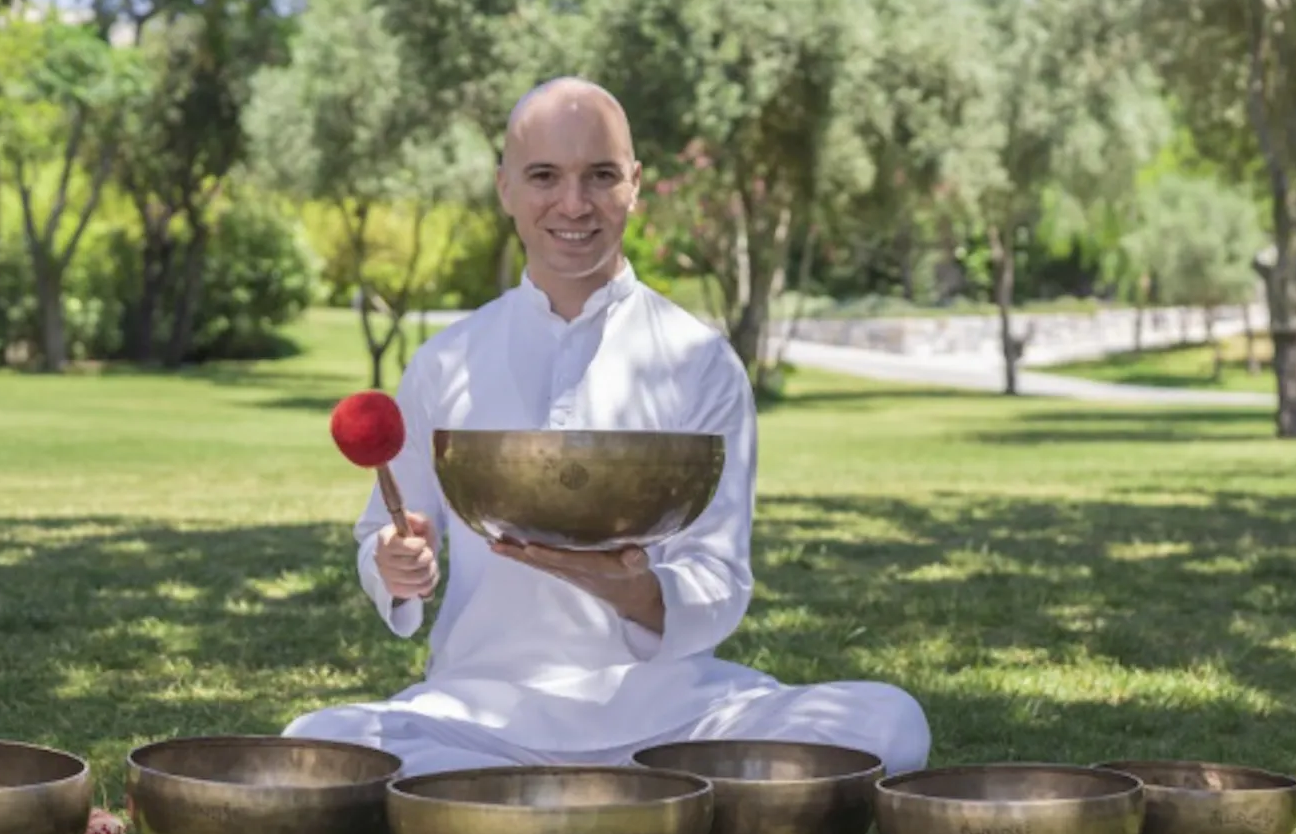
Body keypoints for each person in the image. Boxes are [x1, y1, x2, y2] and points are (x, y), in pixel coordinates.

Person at [282, 77, 931, 779]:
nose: (573, 204)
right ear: (505, 188)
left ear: (634, 184)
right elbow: (388, 528)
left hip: (668, 711)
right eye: (544, 177)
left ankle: (507, 804)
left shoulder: (700, 358)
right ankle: (642, 802)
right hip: (478, 710)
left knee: (891, 720)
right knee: (315, 736)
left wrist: (632, 589)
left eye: (599, 176)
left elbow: (720, 576)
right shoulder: (445, 361)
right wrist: (395, 563)